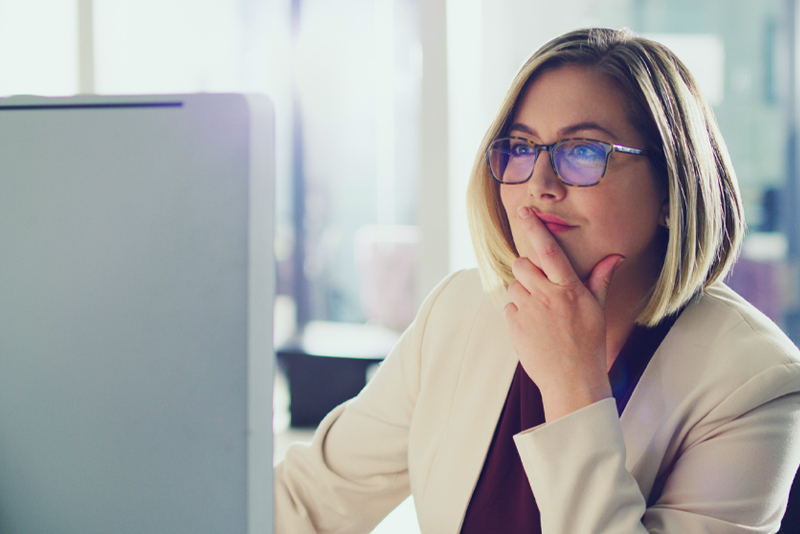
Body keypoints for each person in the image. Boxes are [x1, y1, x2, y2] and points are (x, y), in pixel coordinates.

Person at [275, 27, 800, 533]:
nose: (539, 184)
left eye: (584, 151)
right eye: (522, 148)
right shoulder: (459, 311)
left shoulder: (754, 382)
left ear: (671, 190)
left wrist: (574, 385)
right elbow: (308, 503)